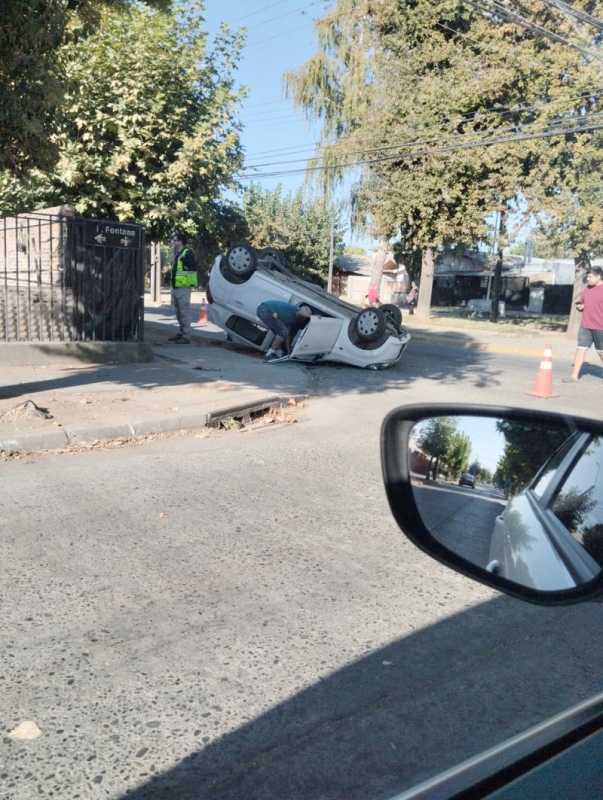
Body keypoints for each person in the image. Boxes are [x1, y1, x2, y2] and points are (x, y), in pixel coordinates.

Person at [565, 266, 603, 382]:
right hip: (585, 325)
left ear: (598, 276)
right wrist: (580, 307)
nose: (588, 279)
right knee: (580, 349)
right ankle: (574, 376)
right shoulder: (587, 289)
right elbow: (583, 303)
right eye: (587, 276)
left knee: (601, 352)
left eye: (590, 276)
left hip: (600, 327)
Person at [168, 232, 198, 344]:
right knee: (178, 312)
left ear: (180, 241)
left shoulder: (187, 253)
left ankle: (186, 335)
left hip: (183, 287)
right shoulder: (177, 254)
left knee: (184, 312)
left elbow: (193, 267)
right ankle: (181, 332)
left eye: (175, 240)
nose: (173, 242)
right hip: (176, 286)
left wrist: (182, 260)